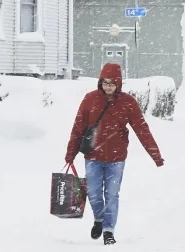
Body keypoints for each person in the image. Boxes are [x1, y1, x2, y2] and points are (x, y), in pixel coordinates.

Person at [65, 63, 164, 245]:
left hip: (116, 158)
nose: (108, 86)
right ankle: (99, 219)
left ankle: (109, 230)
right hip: (93, 156)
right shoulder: (90, 99)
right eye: (105, 82)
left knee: (112, 194)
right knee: (94, 193)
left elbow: (142, 130)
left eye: (112, 83)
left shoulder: (128, 102)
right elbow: (78, 128)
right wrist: (70, 153)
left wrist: (155, 155)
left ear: (118, 83)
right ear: (100, 82)